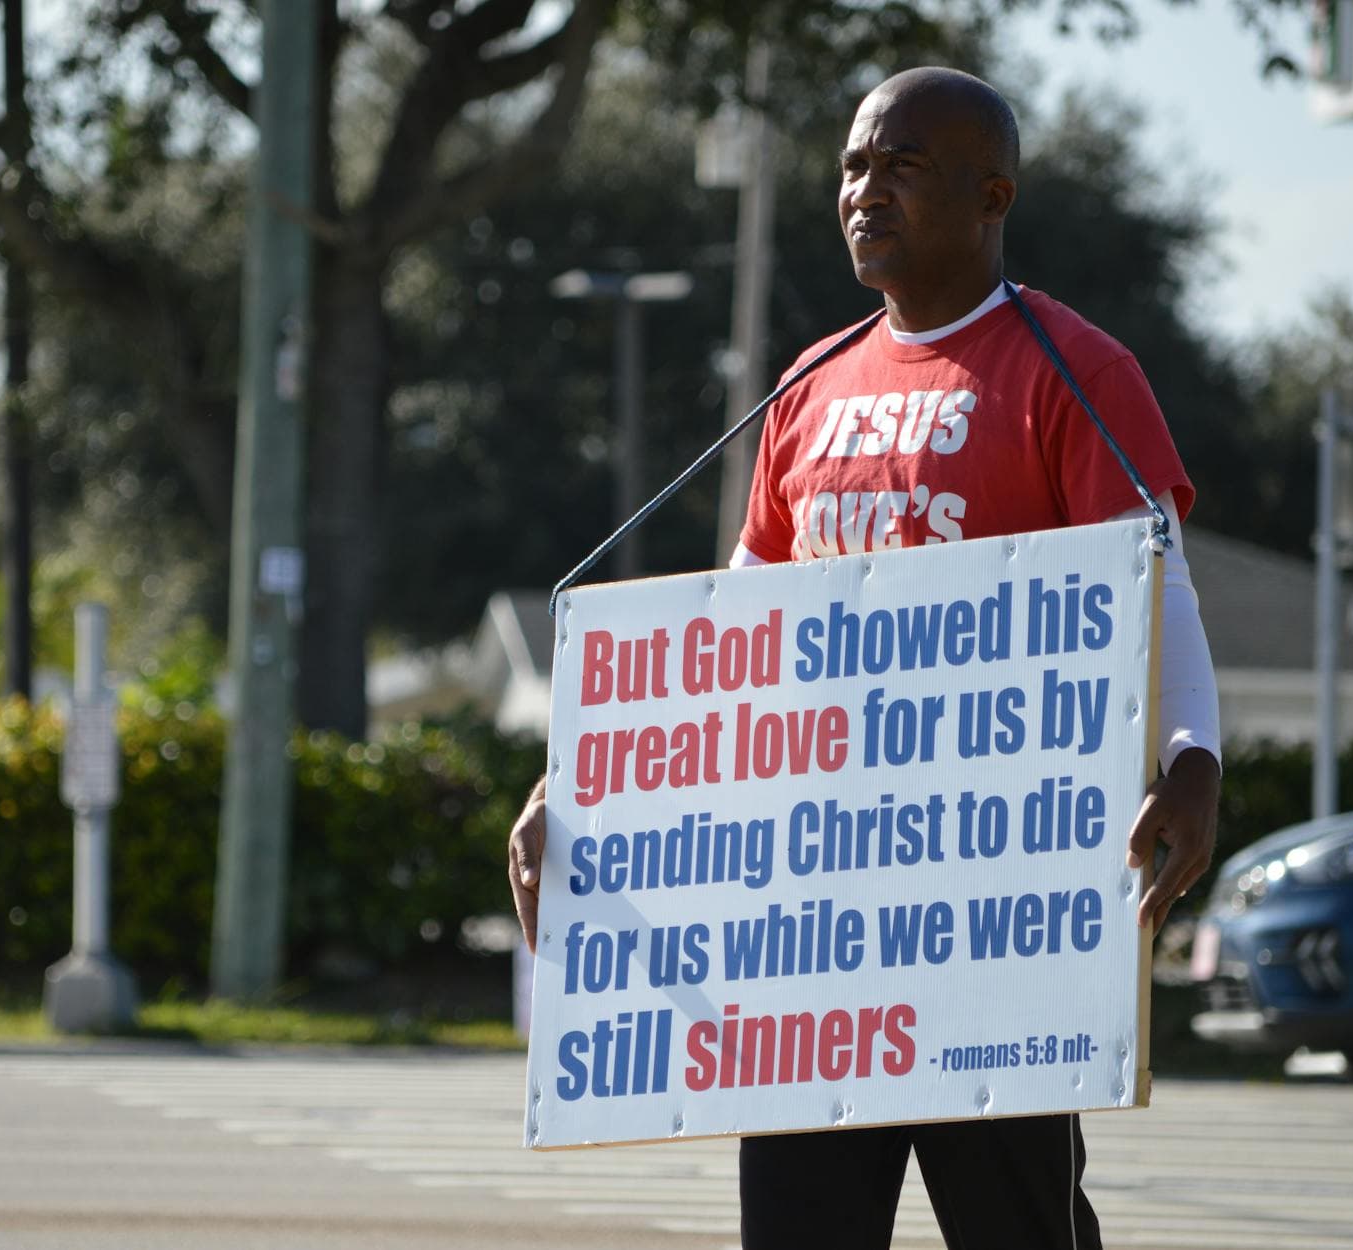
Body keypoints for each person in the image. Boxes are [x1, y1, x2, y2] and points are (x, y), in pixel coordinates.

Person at [508, 65, 1221, 1250]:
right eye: (849, 165)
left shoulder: (1075, 370)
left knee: (1016, 1226)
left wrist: (1191, 754)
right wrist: (577, 789)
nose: (862, 189)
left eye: (900, 165)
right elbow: (725, 645)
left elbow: (1159, 588)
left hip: (994, 907)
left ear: (990, 193)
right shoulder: (803, 387)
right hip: (813, 915)